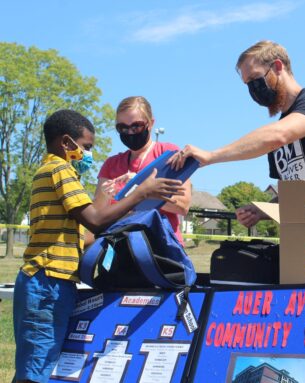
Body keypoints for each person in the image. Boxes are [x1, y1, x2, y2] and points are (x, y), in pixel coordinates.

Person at [13, 109, 183, 383]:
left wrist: (128, 211)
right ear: (67, 143)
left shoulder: (49, 170)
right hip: (47, 283)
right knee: (35, 373)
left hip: (49, 283)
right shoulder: (60, 169)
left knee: (35, 368)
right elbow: (95, 220)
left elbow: (89, 231)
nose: (89, 154)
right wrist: (141, 193)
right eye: (86, 147)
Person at [170, 40, 305, 227]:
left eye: (255, 79)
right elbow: (293, 192)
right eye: (247, 84)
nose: (253, 90)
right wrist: (261, 211)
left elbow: (277, 136)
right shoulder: (278, 129)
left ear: (278, 67)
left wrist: (211, 156)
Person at [93, 96, 191, 244]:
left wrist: (140, 188)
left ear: (151, 123)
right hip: (120, 246)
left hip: (161, 247)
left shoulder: (169, 154)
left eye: (136, 126)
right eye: (122, 128)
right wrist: (106, 197)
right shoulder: (111, 164)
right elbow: (97, 215)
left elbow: (182, 206)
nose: (130, 132)